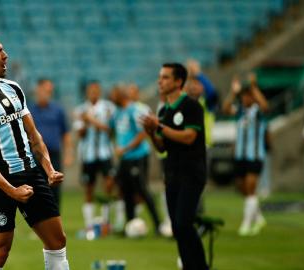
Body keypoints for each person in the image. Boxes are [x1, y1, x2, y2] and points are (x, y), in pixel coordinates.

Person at [0, 33, 69, 270]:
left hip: (31, 173)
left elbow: (34, 136)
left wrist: (48, 168)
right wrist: (12, 191)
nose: (5, 56)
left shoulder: (13, 88)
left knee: (57, 242)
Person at [141, 63, 208, 269]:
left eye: (166, 77)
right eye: (160, 77)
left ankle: (199, 266)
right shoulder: (165, 112)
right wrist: (152, 133)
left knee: (183, 223)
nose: (160, 81)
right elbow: (162, 148)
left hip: (192, 172)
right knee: (178, 228)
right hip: (172, 174)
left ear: (179, 81)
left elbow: (189, 137)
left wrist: (159, 127)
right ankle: (189, 265)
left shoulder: (191, 106)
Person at [109, 86, 161, 235]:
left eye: (114, 95)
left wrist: (124, 148)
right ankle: (130, 224)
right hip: (125, 158)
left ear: (122, 96)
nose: (112, 98)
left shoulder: (134, 110)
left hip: (138, 156)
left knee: (142, 189)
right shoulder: (118, 112)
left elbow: (142, 134)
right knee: (126, 191)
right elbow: (112, 129)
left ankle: (158, 224)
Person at [222, 73, 268, 236]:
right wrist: (233, 92)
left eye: (247, 96)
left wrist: (254, 87)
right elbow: (226, 108)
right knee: (243, 188)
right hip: (240, 156)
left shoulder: (258, 112)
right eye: (243, 97)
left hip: (255, 156)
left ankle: (247, 224)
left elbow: (265, 106)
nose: (245, 99)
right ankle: (258, 217)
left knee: (250, 187)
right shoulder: (240, 112)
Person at [73, 81, 117, 229]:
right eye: (91, 91)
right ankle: (89, 224)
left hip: (105, 152)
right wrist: (85, 123)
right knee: (89, 188)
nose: (93, 93)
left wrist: (92, 120)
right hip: (88, 154)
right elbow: (80, 134)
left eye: (96, 90)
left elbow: (112, 130)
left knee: (109, 184)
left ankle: (106, 221)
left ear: (100, 91)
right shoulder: (81, 110)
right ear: (87, 92)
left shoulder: (109, 108)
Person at [30, 79, 74, 209]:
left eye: (50, 90)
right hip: (36, 155)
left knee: (54, 188)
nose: (48, 93)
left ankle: (55, 221)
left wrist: (68, 154)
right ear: (38, 90)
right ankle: (39, 224)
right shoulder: (30, 111)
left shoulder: (58, 110)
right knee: (36, 189)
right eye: (45, 89)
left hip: (53, 154)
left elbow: (65, 134)